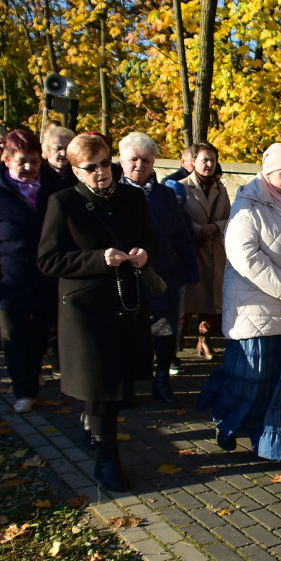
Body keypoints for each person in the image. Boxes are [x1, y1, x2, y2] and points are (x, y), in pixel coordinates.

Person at [37, 134, 156, 492]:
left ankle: (95, 430)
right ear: (76, 171)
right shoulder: (63, 202)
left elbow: (151, 238)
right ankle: (106, 461)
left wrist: (144, 253)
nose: (102, 172)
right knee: (101, 387)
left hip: (126, 303)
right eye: (91, 168)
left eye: (106, 163)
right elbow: (48, 260)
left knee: (117, 385)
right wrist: (97, 259)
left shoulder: (133, 197)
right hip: (87, 312)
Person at [198, 143, 281, 459]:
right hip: (257, 309)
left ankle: (280, 444)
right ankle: (227, 423)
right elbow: (244, 255)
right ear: (268, 172)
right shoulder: (248, 205)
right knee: (252, 380)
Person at [0, 129, 65, 412]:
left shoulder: (54, 188)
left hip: (46, 278)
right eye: (21, 161)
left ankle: (32, 371)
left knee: (41, 333)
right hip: (7, 279)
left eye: (34, 160)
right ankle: (24, 390)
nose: (29, 167)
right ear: (6, 161)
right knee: (15, 338)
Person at [118, 132, 198, 405]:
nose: (139, 165)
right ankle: (126, 384)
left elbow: (181, 236)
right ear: (122, 160)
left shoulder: (165, 195)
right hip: (126, 277)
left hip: (163, 274)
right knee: (129, 332)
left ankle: (162, 381)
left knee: (165, 330)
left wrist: (190, 272)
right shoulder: (113, 194)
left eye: (146, 160)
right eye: (133, 159)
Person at [179, 142, 231, 360]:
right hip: (192, 250)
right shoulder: (180, 187)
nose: (209, 164)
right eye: (204, 160)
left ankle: (204, 340)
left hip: (215, 251)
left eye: (213, 160)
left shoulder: (221, 190)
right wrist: (198, 230)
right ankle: (177, 341)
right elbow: (175, 219)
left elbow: (230, 218)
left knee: (213, 299)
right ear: (193, 162)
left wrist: (215, 227)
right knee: (187, 301)